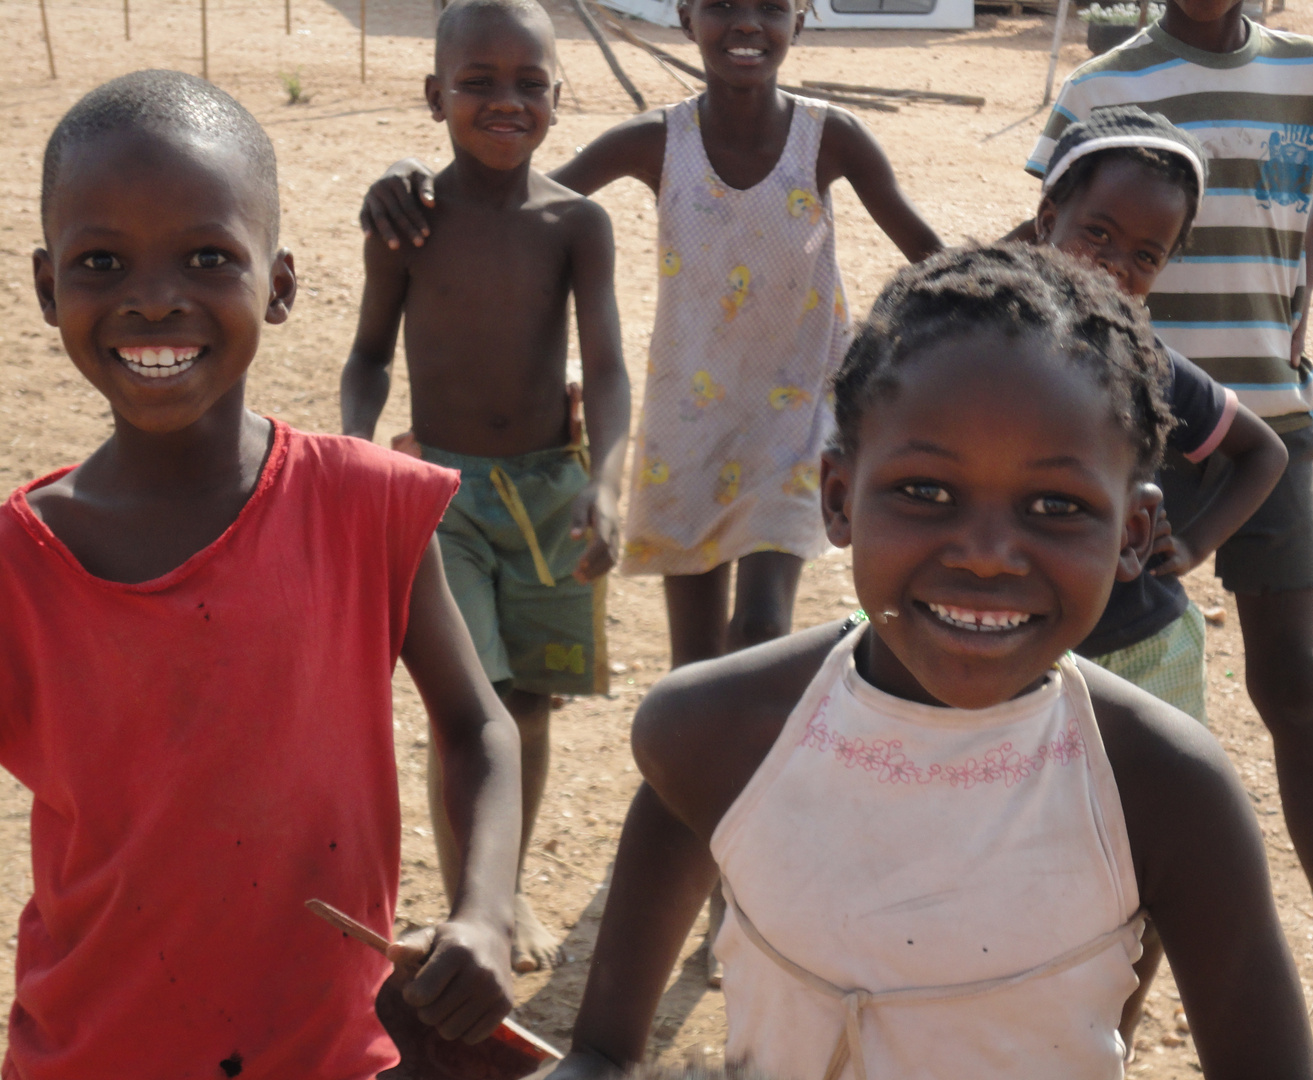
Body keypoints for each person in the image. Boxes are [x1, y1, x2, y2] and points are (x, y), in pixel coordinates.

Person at [541, 245, 1313, 1080]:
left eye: (1055, 506)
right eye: (926, 491)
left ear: (1132, 536)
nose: (987, 555)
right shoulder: (716, 736)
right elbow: (599, 1053)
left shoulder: (1162, 787)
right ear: (838, 497)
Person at [359, 0, 944, 983]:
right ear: (687, 15)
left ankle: (741, 890)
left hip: (796, 425)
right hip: (684, 432)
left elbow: (925, 252)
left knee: (756, 641)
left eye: (770, 6)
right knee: (691, 678)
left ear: (802, 15)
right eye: (722, 4)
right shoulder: (654, 141)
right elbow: (514, 197)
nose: (745, 23)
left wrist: (971, 330)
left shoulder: (828, 137)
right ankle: (704, 860)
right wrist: (405, 183)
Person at [4, 70, 521, 1078]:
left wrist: (488, 914)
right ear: (45, 287)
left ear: (279, 284)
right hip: (89, 1054)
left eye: (207, 257)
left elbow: (478, 727)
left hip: (325, 1053)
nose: (154, 298)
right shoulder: (20, 563)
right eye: (101, 261)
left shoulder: (363, 504)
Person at [1025, 4, 1313, 1070]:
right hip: (1130, 417)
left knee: (1294, 682)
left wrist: (1306, 269)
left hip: (1265, 418)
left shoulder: (1312, 72)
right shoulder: (1100, 87)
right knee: (1095, 708)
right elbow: (1057, 233)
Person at [340, 0, 631, 974]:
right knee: (471, 703)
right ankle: (474, 904)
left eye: (529, 83)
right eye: (477, 82)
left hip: (553, 491)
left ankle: (502, 896)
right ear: (435, 95)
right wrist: (357, 451)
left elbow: (612, 368)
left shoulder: (576, 224)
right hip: (443, 499)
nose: (505, 101)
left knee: (533, 706)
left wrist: (610, 483)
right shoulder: (409, 223)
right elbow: (369, 357)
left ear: (558, 95)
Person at [1023, 105, 1290, 1059]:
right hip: (999, 647)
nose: (1115, 267)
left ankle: (1110, 1046)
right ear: (1048, 212)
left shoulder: (1149, 363)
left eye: (1147, 253)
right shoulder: (976, 339)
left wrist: (1196, 542)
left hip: (1140, 651)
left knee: (1139, 866)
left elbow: (1260, 454)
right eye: (1097, 232)